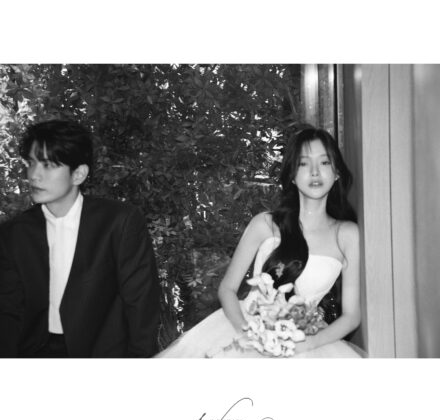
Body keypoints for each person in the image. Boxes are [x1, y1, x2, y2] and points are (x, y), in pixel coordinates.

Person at [157, 125, 364, 358]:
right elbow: (227, 289)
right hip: (246, 334)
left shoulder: (347, 235)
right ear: (292, 175)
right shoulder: (264, 224)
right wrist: (250, 334)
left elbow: (351, 316)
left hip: (307, 344)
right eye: (304, 164)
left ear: (337, 172)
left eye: (324, 162)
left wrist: (306, 345)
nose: (315, 172)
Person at [0, 120, 161, 358]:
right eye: (31, 163)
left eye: (48, 165)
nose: (34, 175)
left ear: (78, 174)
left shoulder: (119, 222)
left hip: (103, 356)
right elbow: (9, 312)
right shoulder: (14, 233)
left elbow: (141, 304)